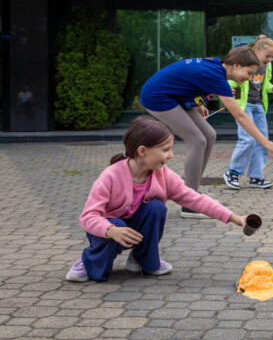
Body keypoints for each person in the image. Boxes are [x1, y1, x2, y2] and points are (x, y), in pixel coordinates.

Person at [66, 117, 249, 283]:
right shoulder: (110, 176)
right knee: (98, 271)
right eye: (165, 150)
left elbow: (194, 199)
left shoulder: (162, 174)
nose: (171, 155)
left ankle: (142, 259)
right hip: (108, 229)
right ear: (143, 151)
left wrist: (233, 217)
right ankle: (88, 260)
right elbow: (88, 217)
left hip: (132, 227)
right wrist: (111, 230)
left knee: (156, 208)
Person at [139, 47, 273, 217]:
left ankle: (192, 190)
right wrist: (267, 143)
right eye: (248, 73)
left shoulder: (217, 67)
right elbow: (240, 115)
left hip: (172, 96)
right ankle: (189, 203)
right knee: (197, 140)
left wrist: (197, 103)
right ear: (237, 65)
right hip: (157, 96)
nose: (248, 79)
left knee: (209, 135)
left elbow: (188, 81)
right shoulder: (217, 76)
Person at [223, 35, 273, 190]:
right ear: (256, 51)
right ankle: (232, 172)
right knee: (247, 139)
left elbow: (264, 84)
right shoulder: (245, 63)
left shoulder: (267, 67)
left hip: (258, 106)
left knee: (263, 139)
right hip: (244, 105)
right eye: (267, 56)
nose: (270, 59)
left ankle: (256, 177)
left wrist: (272, 88)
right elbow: (231, 78)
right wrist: (229, 91)